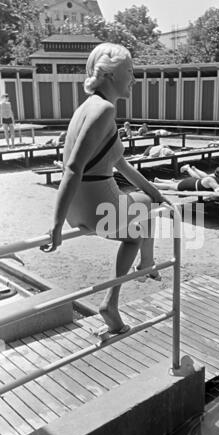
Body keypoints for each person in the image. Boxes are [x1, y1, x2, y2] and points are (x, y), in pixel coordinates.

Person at [40, 43, 171, 336]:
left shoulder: (87, 108)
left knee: (146, 204)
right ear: (111, 74)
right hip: (98, 203)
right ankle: (132, 279)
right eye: (130, 71)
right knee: (139, 225)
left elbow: (121, 165)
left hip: (81, 206)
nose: (134, 79)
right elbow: (73, 168)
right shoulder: (105, 109)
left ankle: (143, 268)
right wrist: (55, 225)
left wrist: (155, 192)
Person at [153, 165, 219, 192]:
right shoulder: (211, 180)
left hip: (193, 182)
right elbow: (218, 190)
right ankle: (153, 184)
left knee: (175, 184)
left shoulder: (213, 177)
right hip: (191, 184)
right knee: (171, 186)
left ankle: (158, 181)